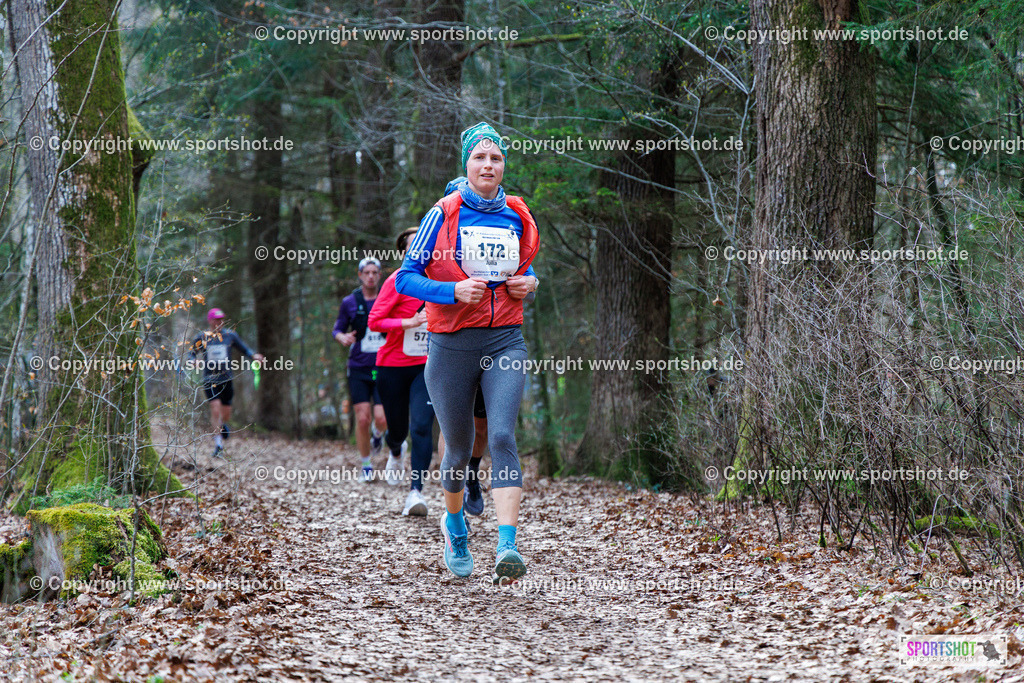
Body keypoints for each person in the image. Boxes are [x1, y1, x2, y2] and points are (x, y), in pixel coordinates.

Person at [396, 122, 540, 583]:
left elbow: (526, 269)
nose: (488, 165)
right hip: (452, 343)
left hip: (505, 340)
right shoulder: (442, 213)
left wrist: (530, 283)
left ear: (504, 166)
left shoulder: (517, 214)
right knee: (458, 451)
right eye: (480, 158)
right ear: (467, 164)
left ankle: (506, 545)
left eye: (496, 158)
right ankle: (455, 525)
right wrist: (452, 291)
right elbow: (405, 278)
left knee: (501, 437)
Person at [368, 228, 436, 516]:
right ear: (405, 253)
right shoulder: (397, 280)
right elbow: (374, 321)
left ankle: (415, 492)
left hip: (426, 366)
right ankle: (396, 450)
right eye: (415, 245)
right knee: (397, 429)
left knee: (421, 426)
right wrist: (408, 322)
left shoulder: (442, 280)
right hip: (392, 366)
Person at [333, 258, 389, 482]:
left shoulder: (388, 297)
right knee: (363, 417)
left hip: (384, 366)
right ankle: (366, 465)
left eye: (375, 272)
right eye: (367, 272)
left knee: (381, 418)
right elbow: (337, 329)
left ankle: (378, 434)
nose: (371, 276)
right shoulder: (349, 302)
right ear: (360, 275)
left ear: (380, 275)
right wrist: (342, 337)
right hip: (358, 367)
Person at [188, 308, 264, 457]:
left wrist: (254, 356)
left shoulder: (230, 335)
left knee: (226, 414)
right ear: (210, 321)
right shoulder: (202, 337)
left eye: (221, 319)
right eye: (217, 319)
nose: (220, 322)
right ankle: (218, 445)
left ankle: (223, 424)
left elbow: (244, 349)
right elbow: (191, 353)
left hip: (227, 379)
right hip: (209, 379)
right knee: (215, 409)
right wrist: (193, 361)